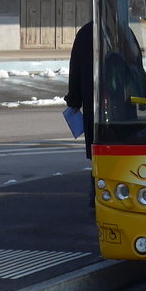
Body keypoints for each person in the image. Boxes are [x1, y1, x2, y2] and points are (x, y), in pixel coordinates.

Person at [64, 20, 94, 206]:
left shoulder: (85, 33)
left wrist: (74, 100)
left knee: (98, 149)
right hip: (120, 107)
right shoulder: (123, 29)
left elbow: (74, 69)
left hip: (93, 103)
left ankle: (96, 190)